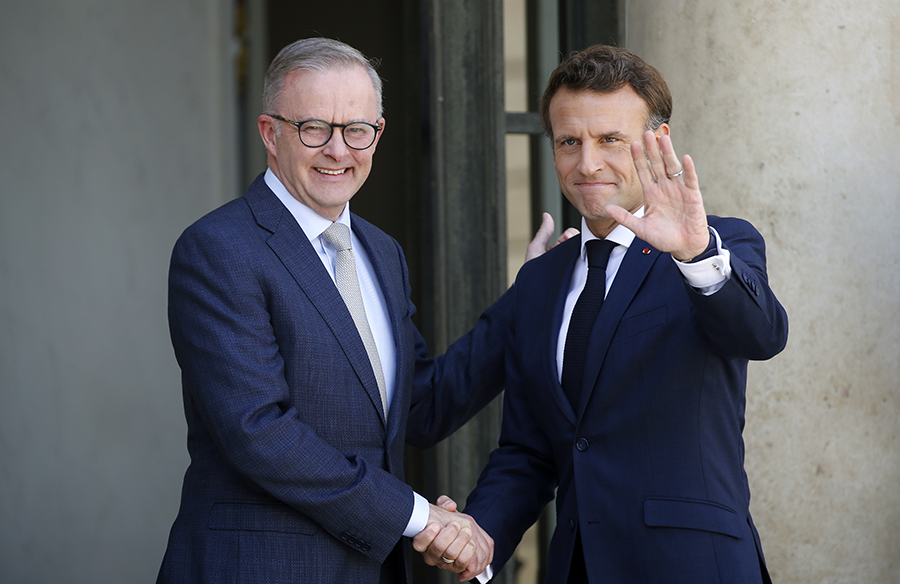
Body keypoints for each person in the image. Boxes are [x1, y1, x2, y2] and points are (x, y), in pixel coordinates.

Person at [155, 37, 568, 584]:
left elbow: (421, 405)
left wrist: (528, 298)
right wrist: (422, 517)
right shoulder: (218, 248)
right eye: (313, 128)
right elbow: (260, 432)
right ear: (269, 134)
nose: (338, 150)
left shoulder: (380, 251)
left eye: (357, 130)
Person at [416, 44, 789, 583]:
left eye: (610, 140)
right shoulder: (541, 278)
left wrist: (694, 255)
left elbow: (761, 333)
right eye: (570, 141)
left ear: (656, 142)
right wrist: (477, 535)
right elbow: (528, 453)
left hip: (694, 567)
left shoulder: (716, 242)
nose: (587, 163)